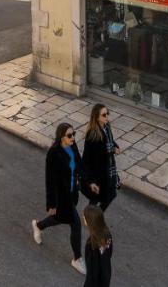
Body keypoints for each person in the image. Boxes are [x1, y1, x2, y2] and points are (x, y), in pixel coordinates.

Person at [30, 122, 86, 275]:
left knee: (61, 218)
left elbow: (79, 165)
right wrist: (51, 203)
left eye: (74, 134)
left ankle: (39, 226)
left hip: (72, 193)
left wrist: (84, 180)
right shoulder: (54, 153)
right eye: (69, 135)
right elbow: (49, 180)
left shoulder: (72, 147)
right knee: (75, 224)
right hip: (61, 197)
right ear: (61, 137)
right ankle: (77, 258)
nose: (73, 137)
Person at [80, 104, 121, 212]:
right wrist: (91, 181)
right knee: (96, 198)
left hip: (109, 170)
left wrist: (115, 147)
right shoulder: (92, 135)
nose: (107, 116)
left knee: (111, 195)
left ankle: (95, 216)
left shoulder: (107, 127)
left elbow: (109, 141)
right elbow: (86, 160)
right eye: (103, 115)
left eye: (107, 113)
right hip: (98, 174)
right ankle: (92, 217)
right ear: (97, 117)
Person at [81, 205, 113, 287]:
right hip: (106, 276)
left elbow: (91, 273)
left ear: (90, 221)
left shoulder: (91, 244)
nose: (83, 218)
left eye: (84, 217)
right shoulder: (107, 234)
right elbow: (109, 254)